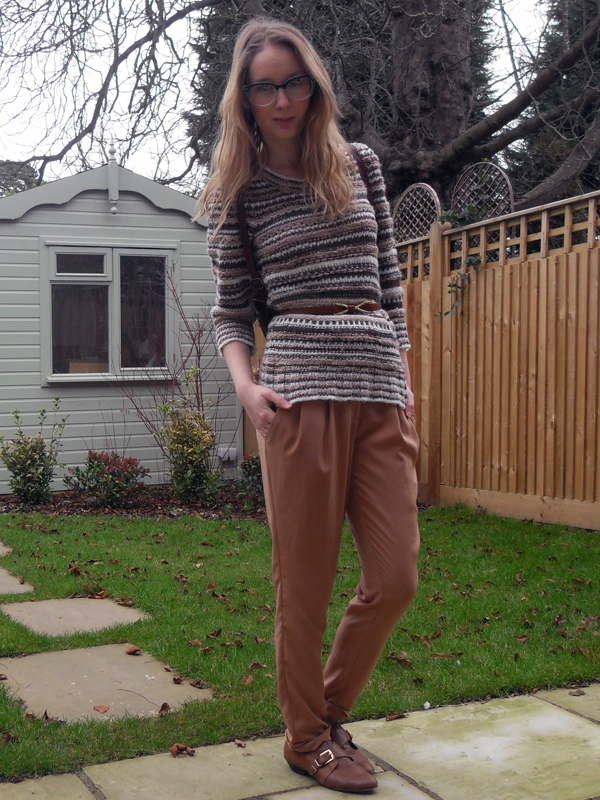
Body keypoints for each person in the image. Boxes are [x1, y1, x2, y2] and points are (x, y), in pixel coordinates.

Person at [199, 18, 420, 794]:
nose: (284, 99)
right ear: (245, 99)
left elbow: (390, 287)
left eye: (295, 82)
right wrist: (245, 386)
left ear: (315, 85)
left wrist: (404, 383)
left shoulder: (360, 165)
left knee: (395, 577)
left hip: (378, 393)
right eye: (265, 87)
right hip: (296, 395)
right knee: (305, 585)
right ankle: (308, 739)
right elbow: (232, 313)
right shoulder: (240, 192)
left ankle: (321, 717)